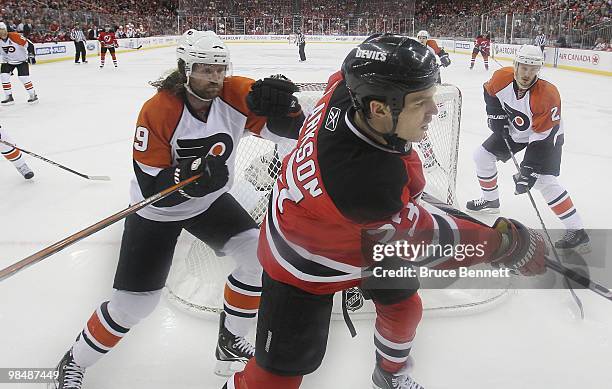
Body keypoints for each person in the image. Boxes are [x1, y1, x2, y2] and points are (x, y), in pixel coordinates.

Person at [223, 33, 547, 389]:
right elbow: (430, 240)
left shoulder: (345, 92)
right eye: (421, 102)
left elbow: (348, 73)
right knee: (275, 379)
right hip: (301, 264)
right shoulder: (366, 184)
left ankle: (390, 375)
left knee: (404, 307)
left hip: (353, 232)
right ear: (379, 109)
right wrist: (502, 246)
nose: (434, 111)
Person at [54, 29, 305, 388]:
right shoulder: (159, 110)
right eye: (204, 69)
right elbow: (151, 189)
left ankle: (230, 338)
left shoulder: (236, 93)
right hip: (157, 213)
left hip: (209, 203)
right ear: (184, 69)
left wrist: (288, 108)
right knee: (133, 306)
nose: (214, 78)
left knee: (257, 256)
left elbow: (292, 131)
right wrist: (187, 178)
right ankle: (73, 362)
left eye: (219, 69)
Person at [466, 44, 590, 252]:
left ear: (538, 70)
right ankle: (491, 200)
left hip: (547, 136)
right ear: (516, 65)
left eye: (533, 69)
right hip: (517, 131)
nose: (527, 74)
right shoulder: (501, 77)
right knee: (482, 156)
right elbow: (489, 92)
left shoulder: (547, 94)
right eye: (524, 67)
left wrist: (528, 169)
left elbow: (541, 138)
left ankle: (577, 231)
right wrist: (494, 113)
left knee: (543, 181)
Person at [0, 22, 38, 105]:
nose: (1, 32)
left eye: (3, 30)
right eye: (0, 30)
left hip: (21, 60)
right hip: (7, 61)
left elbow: (30, 45)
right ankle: (9, 96)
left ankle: (33, 94)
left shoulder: (15, 36)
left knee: (23, 78)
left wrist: (31, 55)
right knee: (4, 76)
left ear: (6, 30)